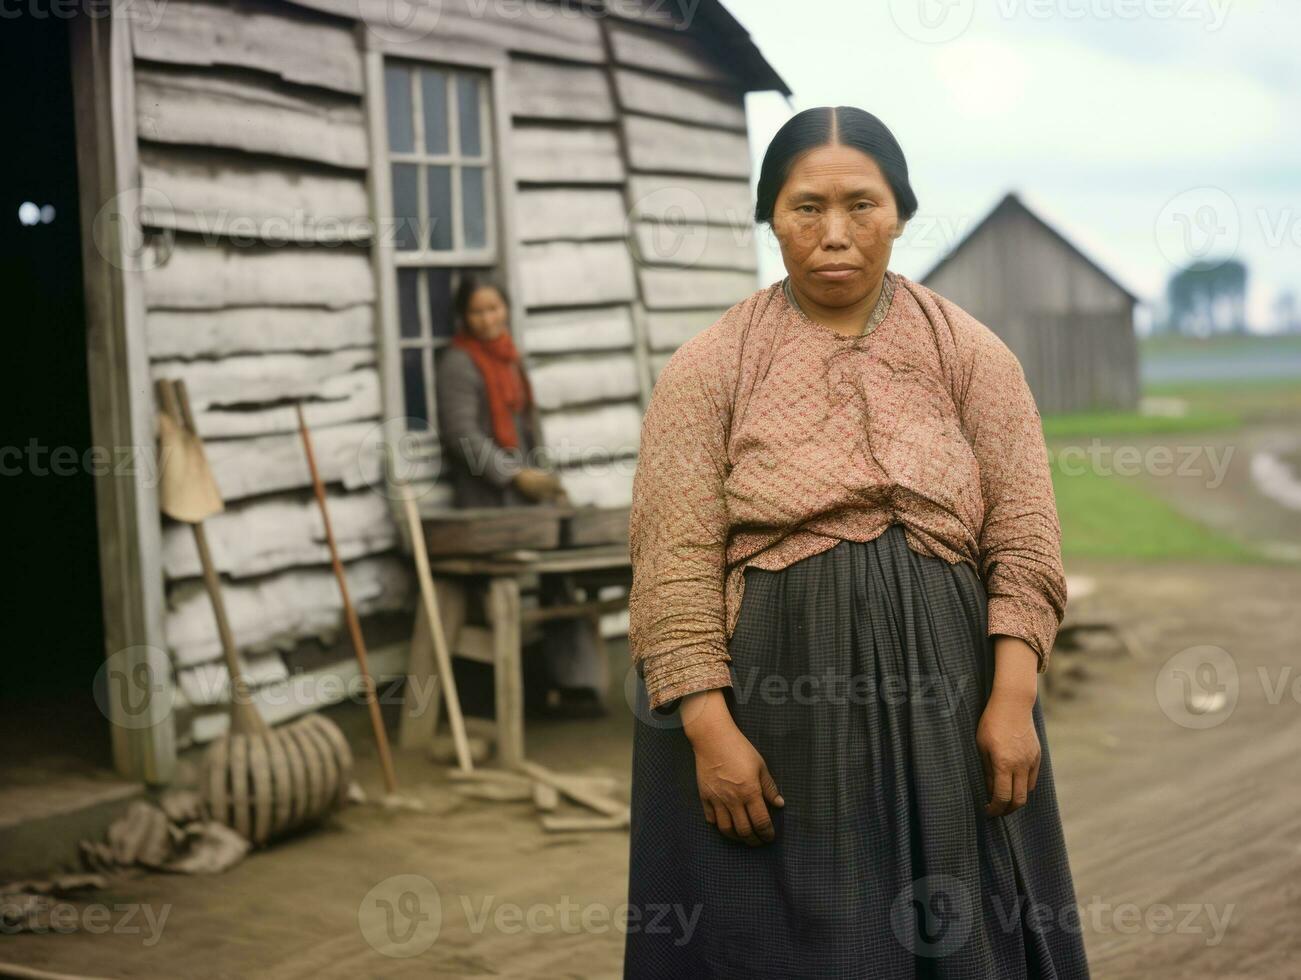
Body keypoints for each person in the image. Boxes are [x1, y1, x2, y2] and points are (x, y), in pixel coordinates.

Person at [623, 107, 1090, 978]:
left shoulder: (970, 355)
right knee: (790, 943)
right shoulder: (710, 366)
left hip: (952, 699)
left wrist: (1012, 700)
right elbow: (672, 560)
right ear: (771, 216)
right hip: (771, 704)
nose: (833, 234)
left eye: (860, 205)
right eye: (806, 208)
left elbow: (1024, 534)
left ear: (900, 212)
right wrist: (709, 730)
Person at [435, 274, 608, 717]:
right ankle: (515, 696)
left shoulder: (509, 358)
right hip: (487, 502)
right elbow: (462, 437)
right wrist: (514, 477)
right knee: (532, 574)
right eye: (478, 312)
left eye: (494, 309)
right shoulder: (459, 363)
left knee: (567, 571)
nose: (488, 319)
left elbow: (529, 430)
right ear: (464, 317)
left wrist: (545, 479)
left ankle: (576, 686)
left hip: (524, 499)